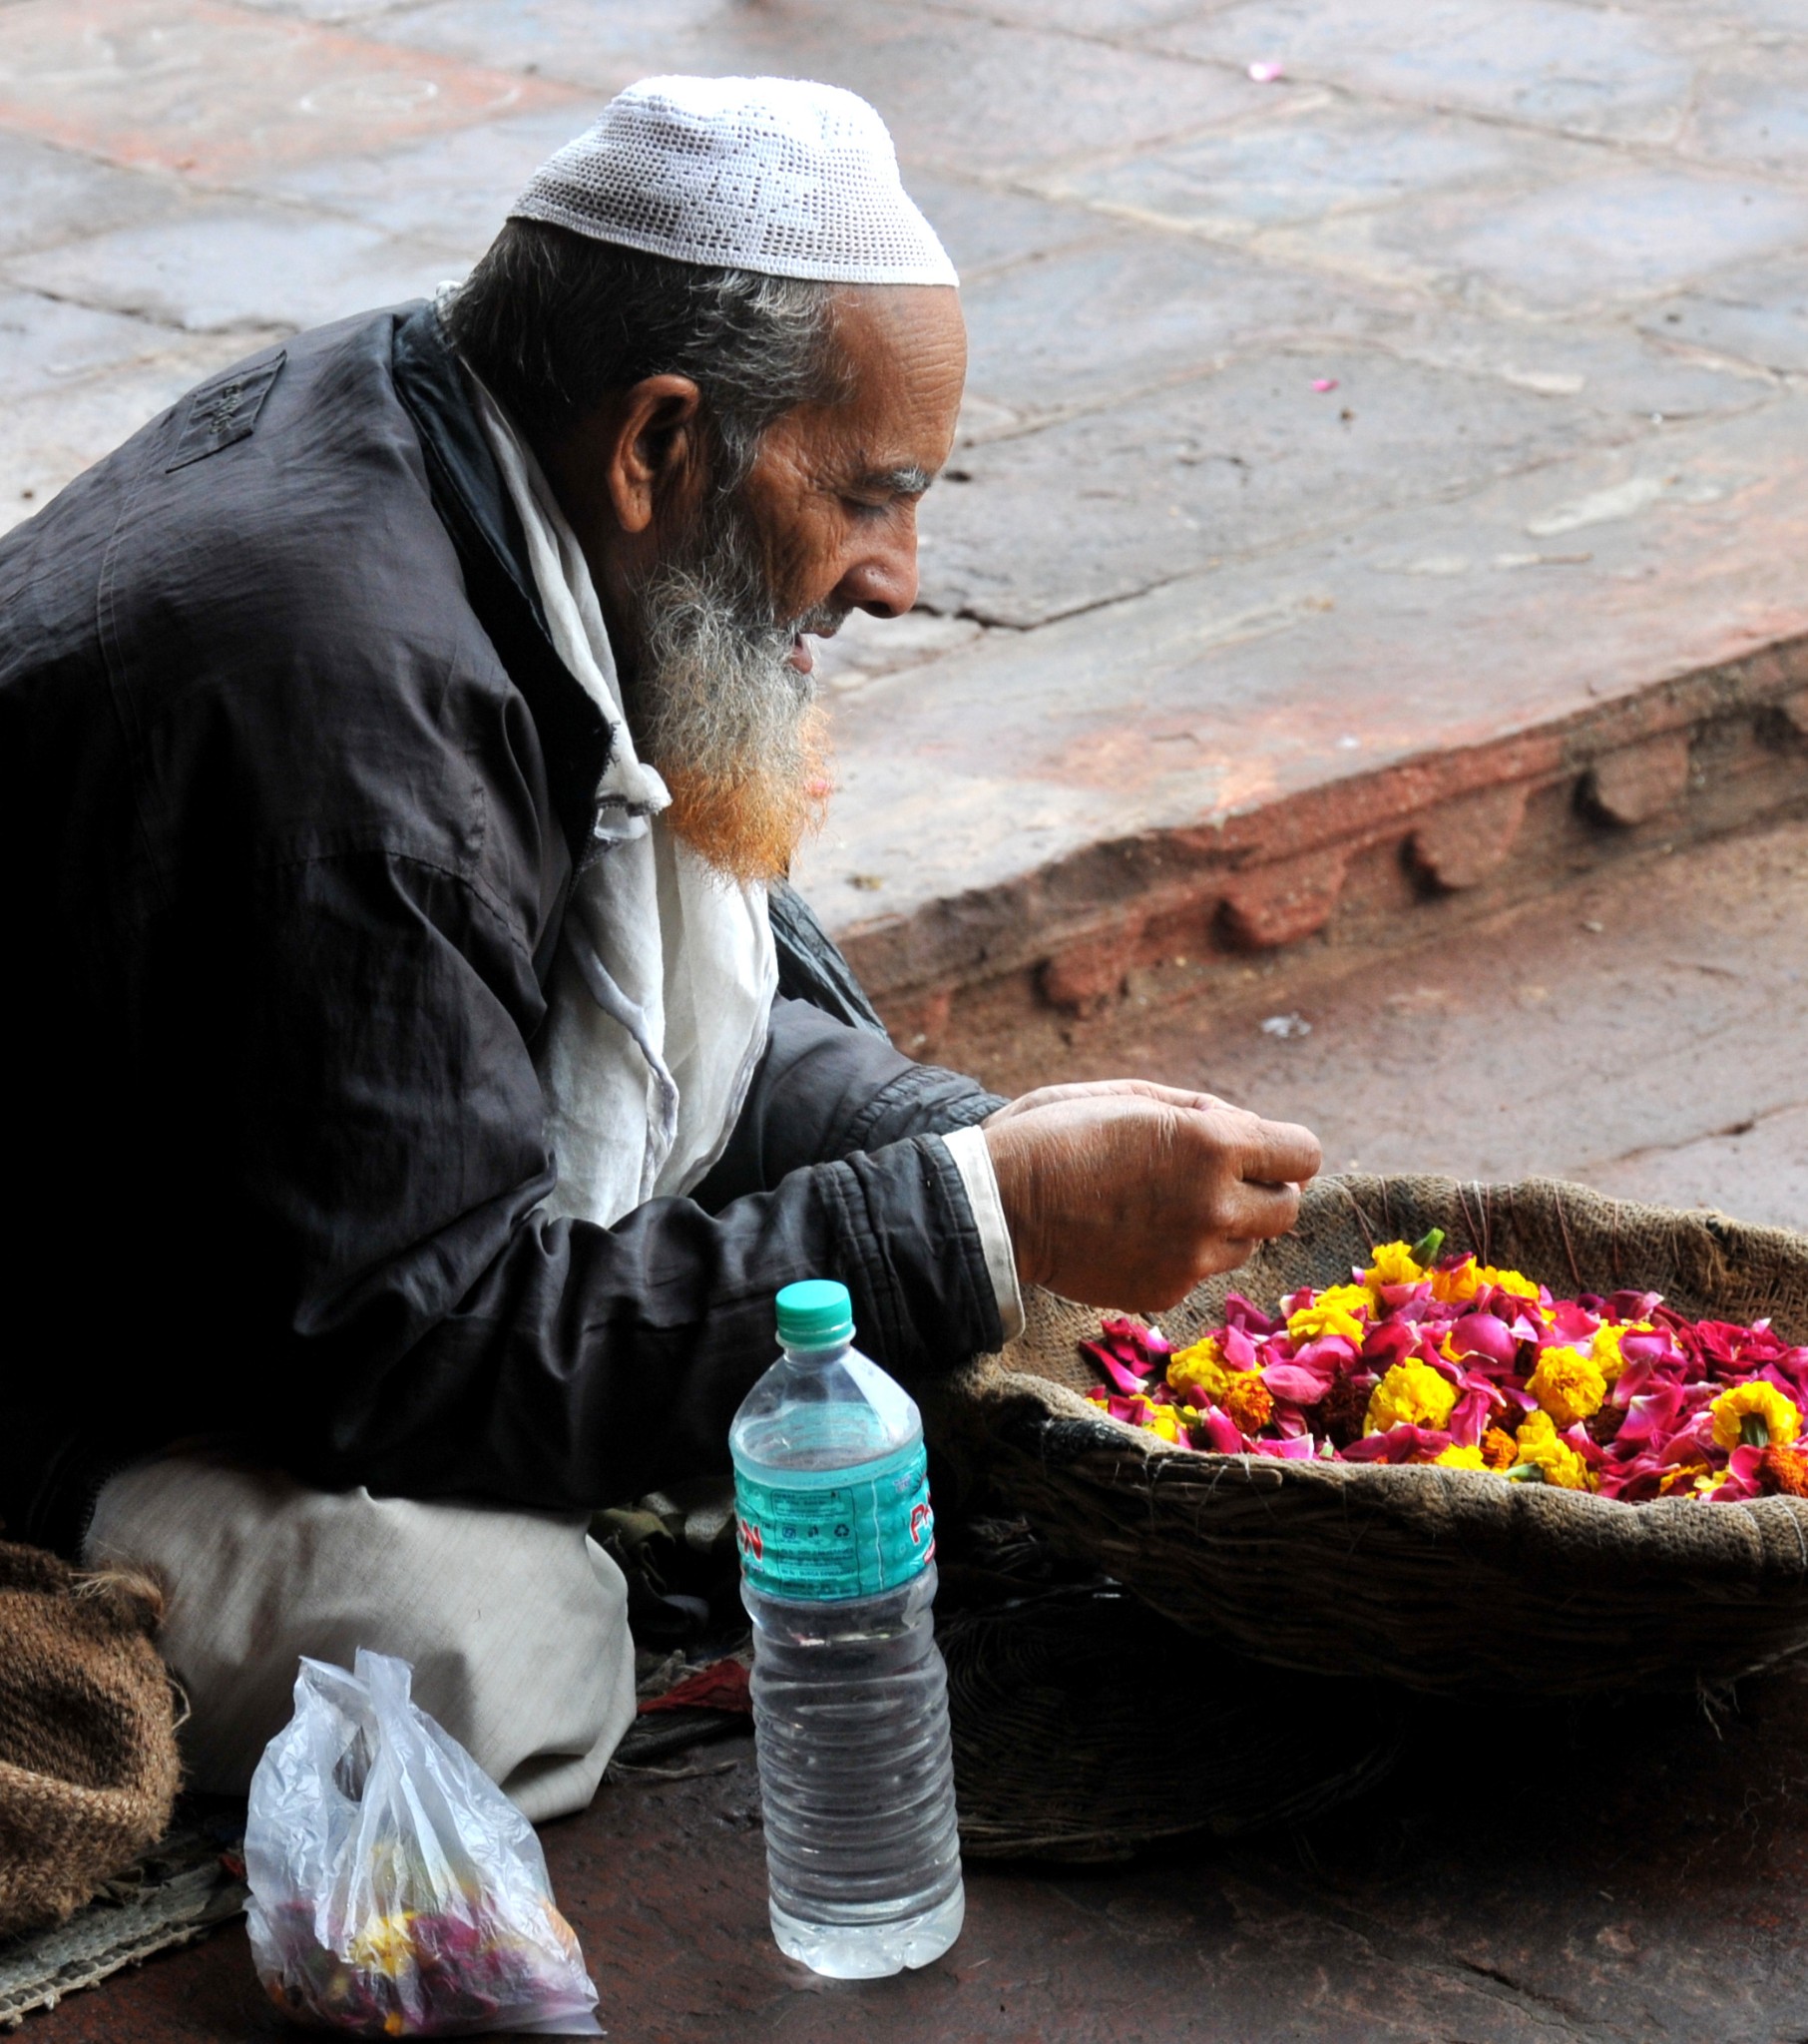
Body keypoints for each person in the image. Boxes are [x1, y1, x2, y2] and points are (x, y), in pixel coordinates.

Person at [0, 76, 1319, 1817]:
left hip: (268, 1231)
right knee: (507, 1647)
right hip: (70, 1369)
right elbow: (418, 1353)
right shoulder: (344, 708)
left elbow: (705, 1019)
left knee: (841, 1343)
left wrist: (968, 1154)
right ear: (657, 445)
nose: (898, 577)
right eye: (868, 497)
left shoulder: (475, 466)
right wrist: (975, 1217)